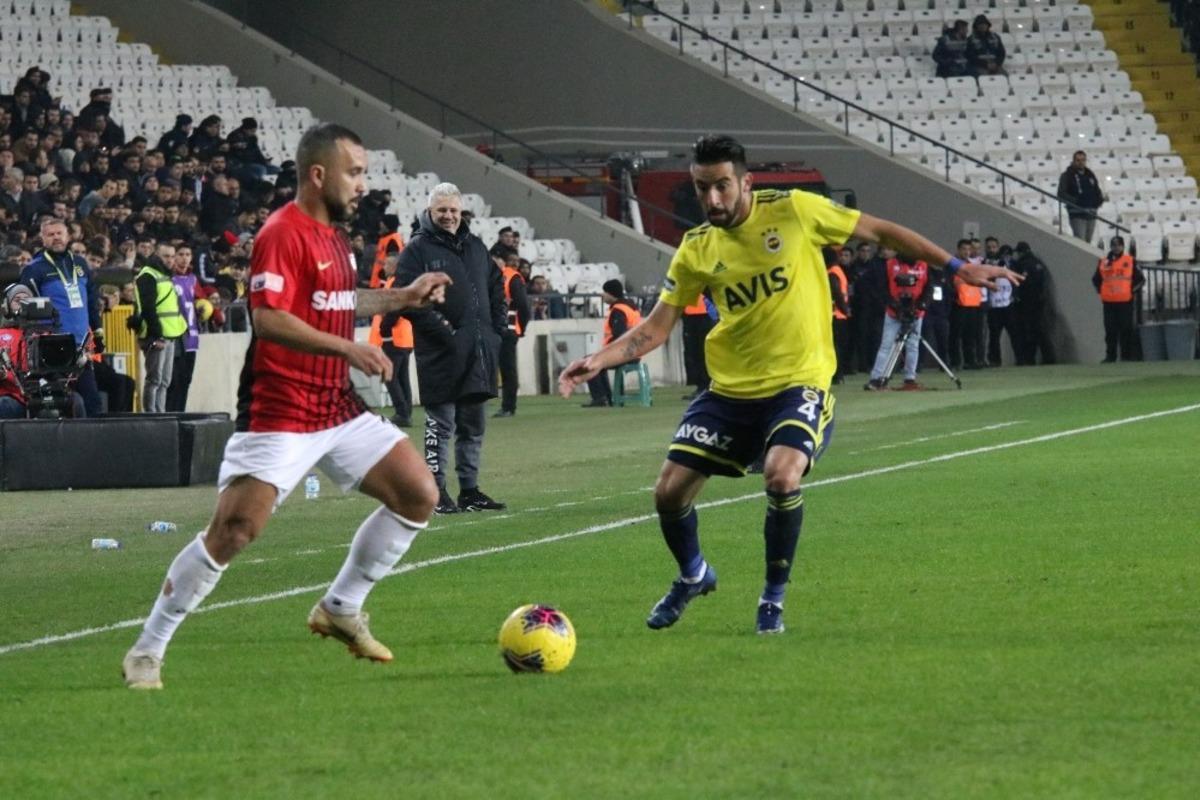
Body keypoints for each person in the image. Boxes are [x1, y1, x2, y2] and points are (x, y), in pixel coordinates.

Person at [558, 135, 1019, 635]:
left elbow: (881, 230)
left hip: (798, 383)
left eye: (722, 187)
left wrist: (958, 267)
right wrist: (598, 360)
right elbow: (656, 327)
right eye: (701, 188)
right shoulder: (696, 249)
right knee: (668, 494)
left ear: (746, 182)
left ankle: (772, 600)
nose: (712, 199)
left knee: (781, 476)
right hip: (730, 391)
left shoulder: (795, 210)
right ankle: (693, 575)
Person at [121, 123, 451, 691]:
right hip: (280, 408)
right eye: (354, 172)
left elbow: (334, 304)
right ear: (318, 174)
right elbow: (269, 319)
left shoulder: (335, 240)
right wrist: (349, 347)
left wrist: (401, 297)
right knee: (235, 530)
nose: (361, 184)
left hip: (335, 406)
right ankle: (147, 649)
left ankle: (341, 607)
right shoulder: (282, 233)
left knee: (419, 493)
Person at [396, 182, 507, 515]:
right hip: (440, 352)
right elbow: (407, 298)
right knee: (439, 424)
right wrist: (444, 331)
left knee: (473, 426)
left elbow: (495, 285)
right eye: (442, 210)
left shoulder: (475, 246)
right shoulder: (416, 250)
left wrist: (495, 330)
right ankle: (436, 491)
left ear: (461, 212)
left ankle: (470, 491)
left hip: (479, 350)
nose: (448, 216)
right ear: (430, 211)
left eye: (453, 210)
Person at [19, 216, 104, 416]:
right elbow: (27, 310)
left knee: (93, 403)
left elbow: (92, 302)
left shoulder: (81, 264)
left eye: (59, 233)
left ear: (68, 236)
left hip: (80, 348)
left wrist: (98, 332)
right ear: (43, 238)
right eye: (50, 234)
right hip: (51, 348)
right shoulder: (34, 269)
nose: (56, 238)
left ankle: (95, 445)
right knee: (57, 404)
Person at [864, 252, 931, 391]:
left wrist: (922, 303)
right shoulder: (890, 264)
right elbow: (882, 287)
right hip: (893, 312)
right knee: (886, 345)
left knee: (913, 345)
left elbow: (929, 287)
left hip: (916, 312)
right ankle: (876, 378)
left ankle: (910, 378)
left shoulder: (924, 265)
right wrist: (893, 304)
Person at [131, 242, 184, 413]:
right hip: (155, 335)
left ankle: (160, 413)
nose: (170, 260)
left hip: (168, 334)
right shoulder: (148, 275)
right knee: (155, 379)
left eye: (171, 256)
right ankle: (151, 414)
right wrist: (156, 335)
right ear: (156, 256)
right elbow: (148, 309)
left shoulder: (162, 274)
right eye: (165, 256)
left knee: (164, 380)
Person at [369, 239, 415, 428]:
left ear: (395, 266)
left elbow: (395, 309)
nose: (383, 266)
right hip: (404, 337)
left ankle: (402, 413)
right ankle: (406, 412)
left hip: (394, 336)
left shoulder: (396, 282)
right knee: (401, 376)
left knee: (390, 376)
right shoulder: (396, 281)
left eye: (387, 263)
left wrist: (385, 329)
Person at [583, 279, 643, 407]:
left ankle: (600, 398)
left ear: (611, 293)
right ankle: (609, 398)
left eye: (605, 292)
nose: (602, 295)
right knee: (598, 362)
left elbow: (618, 335)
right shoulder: (631, 307)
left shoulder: (618, 310)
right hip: (634, 352)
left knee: (588, 362)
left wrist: (604, 351)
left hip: (622, 353)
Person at [1092, 235, 1145, 363]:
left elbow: (1141, 280)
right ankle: (1111, 356)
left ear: (1122, 246)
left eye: (1118, 245)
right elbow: (1096, 279)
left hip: (1125, 302)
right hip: (1109, 302)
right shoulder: (1104, 262)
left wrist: (1130, 291)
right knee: (1110, 330)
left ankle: (1126, 356)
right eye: (1113, 245)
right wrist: (1103, 292)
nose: (1116, 248)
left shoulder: (1130, 261)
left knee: (1125, 329)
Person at [494, 246, 530, 418]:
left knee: (507, 369)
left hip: (506, 329)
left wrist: (520, 327)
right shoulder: (500, 277)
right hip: (502, 328)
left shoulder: (511, 277)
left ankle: (509, 406)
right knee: (505, 368)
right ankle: (506, 406)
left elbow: (523, 306)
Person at [166, 245, 199, 412]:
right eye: (181, 254)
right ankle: (170, 416)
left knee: (186, 380)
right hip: (176, 336)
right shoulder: (169, 280)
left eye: (188, 254)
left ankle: (181, 414)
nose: (184, 258)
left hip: (192, 338)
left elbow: (201, 301)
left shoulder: (193, 279)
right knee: (173, 380)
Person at [1010, 241, 1054, 365]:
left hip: (1027, 302)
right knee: (1039, 330)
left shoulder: (1023, 264)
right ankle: (1047, 357)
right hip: (1039, 302)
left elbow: (1021, 282)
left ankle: (1030, 358)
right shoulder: (1038, 263)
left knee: (1028, 331)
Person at [1057, 151, 1105, 244]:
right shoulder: (1067, 175)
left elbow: (1097, 190)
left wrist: (1098, 202)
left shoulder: (1090, 174)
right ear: (1073, 161)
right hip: (1077, 214)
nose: (1081, 162)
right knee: (1081, 243)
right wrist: (1076, 202)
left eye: (1083, 160)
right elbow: (1061, 193)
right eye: (1078, 160)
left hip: (1091, 214)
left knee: (1088, 243)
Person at [680, 292, 715, 399]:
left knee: (704, 352)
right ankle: (700, 386)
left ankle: (707, 386)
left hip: (706, 313)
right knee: (692, 352)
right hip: (689, 313)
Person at [826, 246, 851, 384]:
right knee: (839, 346)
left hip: (834, 313)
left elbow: (836, 292)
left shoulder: (831, 273)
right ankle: (839, 374)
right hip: (840, 314)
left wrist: (843, 308)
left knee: (834, 346)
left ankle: (836, 374)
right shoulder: (838, 270)